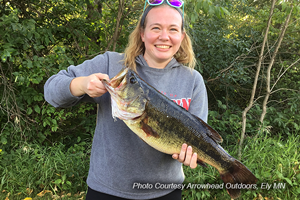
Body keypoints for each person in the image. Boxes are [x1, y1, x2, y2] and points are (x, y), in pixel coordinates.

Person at [44, 0, 208, 199]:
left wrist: (190, 156)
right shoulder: (111, 65)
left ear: (181, 36)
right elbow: (51, 91)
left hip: (166, 192)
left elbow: (200, 136)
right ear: (142, 33)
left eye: (173, 29)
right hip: (106, 190)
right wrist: (82, 84)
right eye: (156, 27)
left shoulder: (193, 80)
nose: (164, 36)